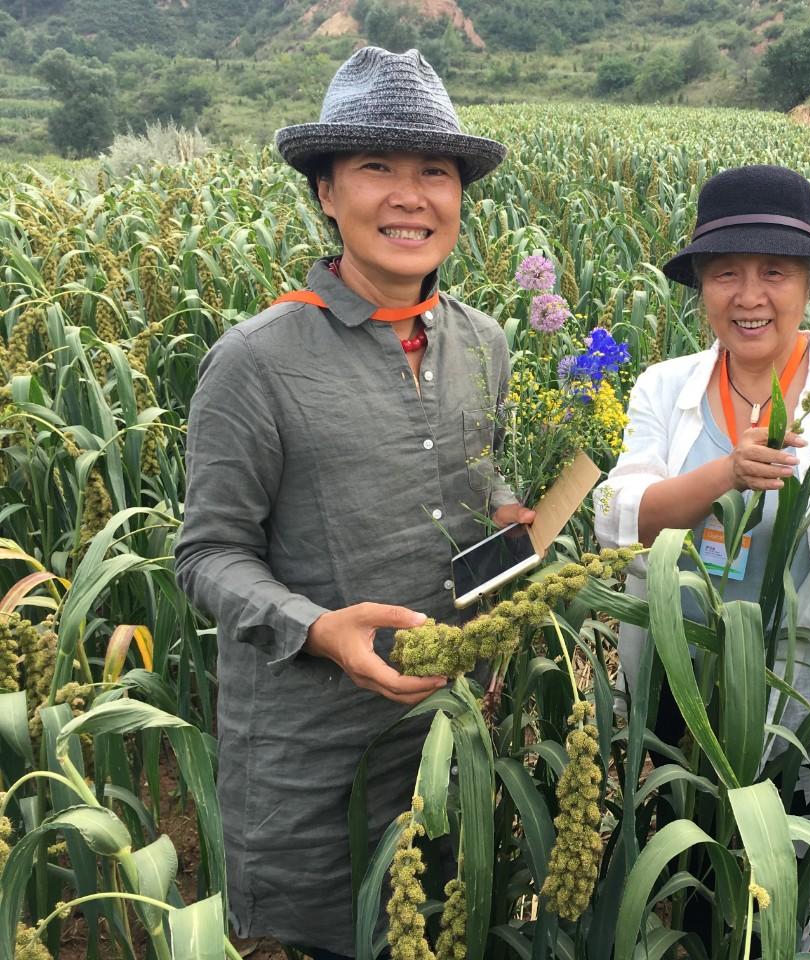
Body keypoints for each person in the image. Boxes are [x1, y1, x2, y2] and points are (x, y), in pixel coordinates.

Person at [175, 47, 533, 959]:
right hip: (312, 767)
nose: (409, 196)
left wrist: (510, 516)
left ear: (459, 198)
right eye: (377, 167)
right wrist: (320, 628)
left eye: (434, 173)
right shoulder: (255, 361)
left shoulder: (483, 342)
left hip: (449, 739)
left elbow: (477, 481)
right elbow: (207, 555)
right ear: (327, 192)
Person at [593, 163, 810, 752]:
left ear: (809, 283)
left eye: (774, 272)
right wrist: (727, 472)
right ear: (702, 286)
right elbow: (622, 521)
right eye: (726, 274)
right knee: (689, 826)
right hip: (683, 669)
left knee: (796, 836)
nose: (749, 297)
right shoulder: (665, 386)